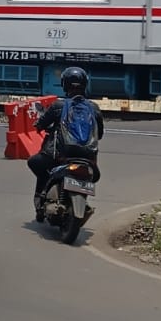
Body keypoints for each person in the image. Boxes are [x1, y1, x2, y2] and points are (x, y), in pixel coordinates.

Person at [28, 67, 104, 221]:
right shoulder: (94, 108)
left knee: (35, 162)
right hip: (89, 158)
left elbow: (41, 124)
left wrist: (39, 125)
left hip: (62, 155)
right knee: (92, 177)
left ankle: (40, 198)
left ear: (64, 85)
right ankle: (82, 202)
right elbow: (100, 134)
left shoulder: (58, 105)